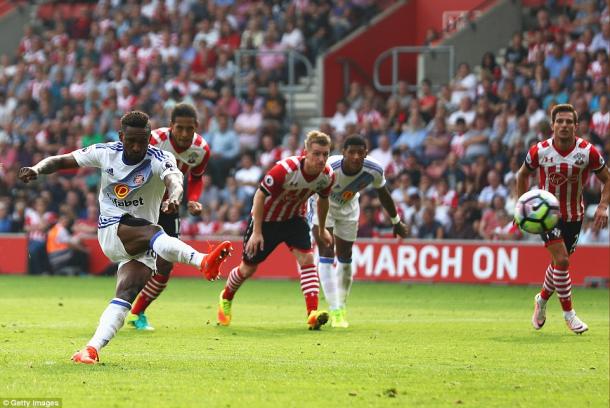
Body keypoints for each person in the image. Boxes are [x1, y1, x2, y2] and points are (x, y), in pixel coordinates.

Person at [18, 111, 233, 364]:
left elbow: (175, 178)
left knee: (126, 294)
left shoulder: (159, 158)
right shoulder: (105, 152)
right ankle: (203, 261)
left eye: (142, 141)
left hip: (140, 243)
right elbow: (63, 160)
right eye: (131, 140)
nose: (137, 146)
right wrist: (37, 168)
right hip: (112, 229)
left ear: (148, 139)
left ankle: (91, 349)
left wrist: (175, 197)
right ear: (121, 136)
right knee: (154, 232)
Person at [217, 130, 335, 330]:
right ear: (305, 152)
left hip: (294, 219)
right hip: (267, 221)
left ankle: (312, 313)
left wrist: (322, 229)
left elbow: (323, 201)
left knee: (307, 259)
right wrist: (257, 231)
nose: (321, 159)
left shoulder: (327, 176)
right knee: (248, 269)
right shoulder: (286, 169)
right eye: (316, 153)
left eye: (325, 154)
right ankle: (226, 297)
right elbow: (260, 196)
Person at [516, 104, 610, 335]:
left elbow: (607, 179)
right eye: (560, 121)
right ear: (553, 125)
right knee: (564, 261)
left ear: (576, 126)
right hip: (547, 215)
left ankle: (541, 300)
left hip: (575, 215)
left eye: (569, 122)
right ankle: (570, 314)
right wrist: (523, 206)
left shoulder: (587, 152)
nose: (564, 125)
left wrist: (602, 206)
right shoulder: (540, 150)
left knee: (560, 263)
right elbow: (522, 174)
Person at [127, 103, 211, 331]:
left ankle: (137, 312)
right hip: (142, 204)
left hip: (169, 208)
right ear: (171, 125)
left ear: (196, 127)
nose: (184, 134)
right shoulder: (153, 140)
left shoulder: (201, 148)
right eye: (179, 128)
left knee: (165, 264)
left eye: (189, 129)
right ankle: (119, 305)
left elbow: (196, 177)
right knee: (134, 260)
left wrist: (193, 199)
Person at [310, 136, 408, 327]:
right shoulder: (329, 168)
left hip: (349, 207)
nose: (355, 156)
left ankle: (342, 305)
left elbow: (383, 193)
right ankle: (335, 310)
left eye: (360, 152)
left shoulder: (374, 169)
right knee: (327, 253)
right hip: (323, 205)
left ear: (365, 153)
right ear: (343, 152)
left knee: (345, 256)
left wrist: (396, 221)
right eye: (351, 152)